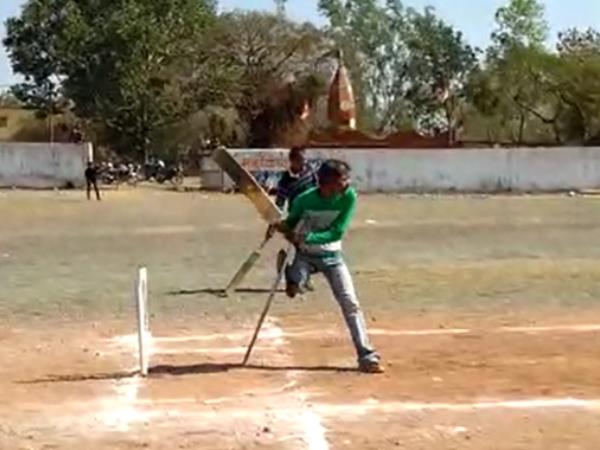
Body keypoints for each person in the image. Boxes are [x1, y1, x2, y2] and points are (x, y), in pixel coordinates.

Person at [273, 159, 383, 374]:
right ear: (327, 183)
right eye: (342, 181)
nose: (347, 184)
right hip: (305, 255)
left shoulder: (348, 196)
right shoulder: (304, 200)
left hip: (333, 257)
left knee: (350, 302)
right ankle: (293, 278)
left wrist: (307, 237)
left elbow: (337, 232)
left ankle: (366, 355)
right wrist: (280, 227)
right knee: (298, 283)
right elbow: (291, 224)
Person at [267, 146, 318, 289]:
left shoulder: (310, 173)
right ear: (292, 161)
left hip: (313, 217)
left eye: (305, 159)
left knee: (314, 249)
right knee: (302, 248)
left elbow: (319, 190)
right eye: (300, 160)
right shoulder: (285, 180)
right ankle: (298, 277)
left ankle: (298, 275)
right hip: (296, 218)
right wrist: (272, 224)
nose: (304, 162)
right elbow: (279, 203)